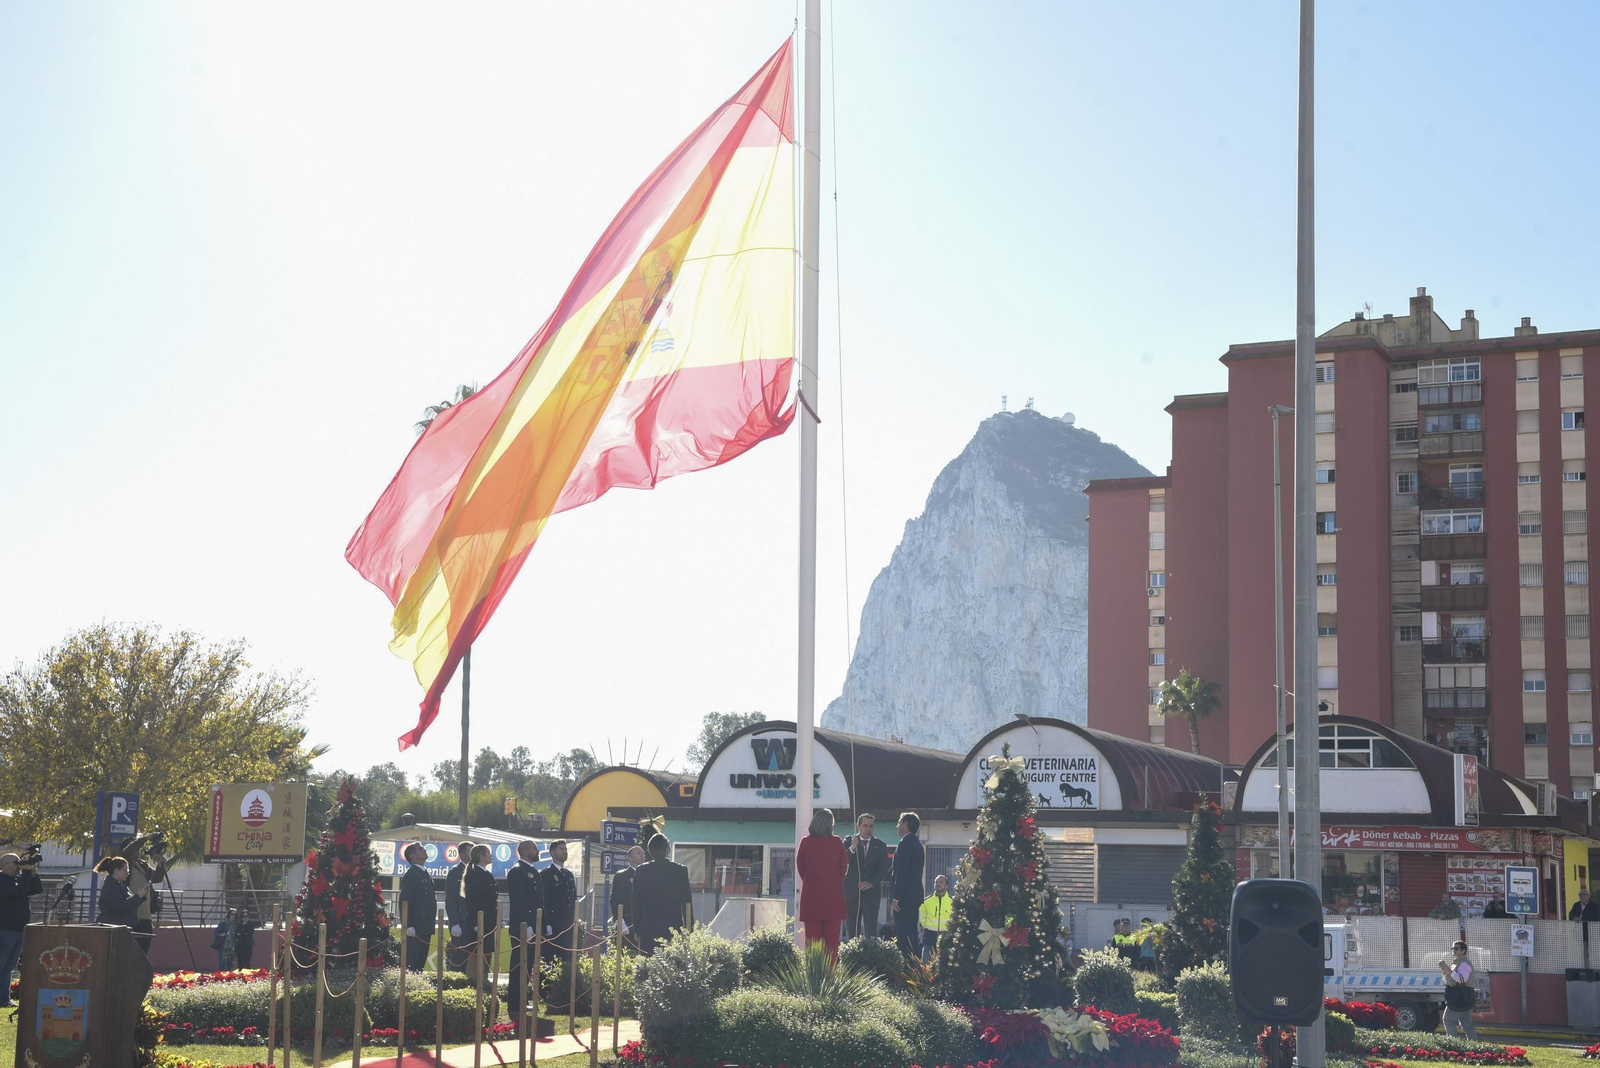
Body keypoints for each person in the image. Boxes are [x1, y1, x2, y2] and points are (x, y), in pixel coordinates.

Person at [796, 808, 848, 963]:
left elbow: (801, 868)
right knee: (831, 943)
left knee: (812, 942)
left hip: (811, 898)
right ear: (829, 825)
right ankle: (830, 976)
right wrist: (833, 883)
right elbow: (843, 867)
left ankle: (814, 976)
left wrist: (812, 882)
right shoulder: (837, 842)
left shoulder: (806, 842)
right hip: (832, 898)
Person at [630, 834, 693, 955]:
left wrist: (637, 928)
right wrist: (689, 929)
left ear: (650, 850)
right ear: (667, 850)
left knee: (647, 967)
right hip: (673, 928)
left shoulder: (642, 870)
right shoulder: (680, 870)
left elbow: (636, 902)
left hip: (648, 928)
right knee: (672, 967)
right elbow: (687, 902)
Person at [0, 851, 44, 1009]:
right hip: (5, 930)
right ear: (4, 865)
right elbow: (17, 892)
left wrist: (32, 874)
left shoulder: (18, 880)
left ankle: (4, 999)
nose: (18, 865)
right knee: (1, 966)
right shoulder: (2, 880)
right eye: (15, 862)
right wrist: (25, 872)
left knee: (8, 968)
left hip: (19, 930)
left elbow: (37, 889)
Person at [506, 841, 543, 1016]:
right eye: (535, 849)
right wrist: (525, 925)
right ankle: (514, 1004)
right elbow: (518, 902)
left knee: (528, 966)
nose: (538, 852)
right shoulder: (517, 871)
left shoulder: (533, 871)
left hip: (533, 926)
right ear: (526, 851)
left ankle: (523, 1000)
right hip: (522, 927)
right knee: (518, 965)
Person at [117, 834, 170, 955]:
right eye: (135, 847)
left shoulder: (142, 865)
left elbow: (157, 878)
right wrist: (145, 838)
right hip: (130, 918)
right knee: (130, 955)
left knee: (143, 954)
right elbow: (127, 852)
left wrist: (160, 865)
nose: (137, 850)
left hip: (145, 917)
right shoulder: (123, 864)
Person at [843, 813, 887, 940]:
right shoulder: (848, 841)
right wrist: (852, 848)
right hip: (852, 894)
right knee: (852, 931)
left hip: (871, 895)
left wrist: (871, 883)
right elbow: (841, 861)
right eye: (865, 825)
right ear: (858, 825)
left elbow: (883, 869)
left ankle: (870, 957)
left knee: (871, 932)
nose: (868, 829)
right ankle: (852, 957)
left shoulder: (880, 845)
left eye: (871, 826)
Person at [460, 845, 499, 985]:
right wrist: (476, 922)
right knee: (475, 953)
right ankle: (472, 982)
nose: (490, 856)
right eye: (488, 853)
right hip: (478, 920)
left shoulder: (486, 874)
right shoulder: (474, 873)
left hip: (488, 920)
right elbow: (473, 900)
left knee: (486, 952)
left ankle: (483, 980)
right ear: (481, 856)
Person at [890, 812, 925, 959]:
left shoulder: (904, 843)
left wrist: (896, 897)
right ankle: (915, 969)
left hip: (904, 898)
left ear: (905, 824)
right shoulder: (917, 843)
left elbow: (902, 873)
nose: (897, 825)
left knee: (904, 937)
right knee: (911, 934)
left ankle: (906, 970)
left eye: (899, 822)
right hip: (914, 896)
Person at [397, 842, 436, 971]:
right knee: (410, 964)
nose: (424, 850)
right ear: (413, 856)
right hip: (415, 928)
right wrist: (407, 925)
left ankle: (416, 989)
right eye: (420, 849)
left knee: (420, 965)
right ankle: (406, 989)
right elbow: (405, 901)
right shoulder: (411, 874)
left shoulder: (424, 873)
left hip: (425, 926)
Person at [539, 840, 579, 952]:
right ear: (552, 853)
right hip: (553, 923)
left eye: (566, 849)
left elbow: (573, 899)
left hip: (568, 923)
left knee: (567, 955)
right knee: (552, 956)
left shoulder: (568, 874)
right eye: (561, 849)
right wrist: (546, 923)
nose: (565, 852)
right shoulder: (545, 874)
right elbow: (544, 901)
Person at [1439, 939, 1477, 1039]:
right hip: (1463, 997)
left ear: (1463, 951)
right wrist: (1445, 970)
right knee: (1467, 1023)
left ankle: (1453, 1043)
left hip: (1459, 997)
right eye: (1453, 948)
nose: (1453, 951)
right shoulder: (1457, 963)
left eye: (1456, 949)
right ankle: (1473, 1044)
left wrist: (1449, 971)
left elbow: (1462, 979)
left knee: (1448, 1019)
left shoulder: (1464, 963)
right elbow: (1450, 979)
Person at [445, 841, 474, 968]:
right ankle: (454, 984)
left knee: (472, 960)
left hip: (472, 922)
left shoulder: (474, 871)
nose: (473, 854)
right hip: (460, 922)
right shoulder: (455, 872)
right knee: (458, 958)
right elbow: (451, 900)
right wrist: (455, 922)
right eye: (470, 851)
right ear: (462, 854)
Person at [611, 845, 646, 939]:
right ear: (630, 858)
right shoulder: (622, 876)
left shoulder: (648, 875)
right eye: (638, 853)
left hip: (644, 922)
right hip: (628, 922)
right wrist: (620, 921)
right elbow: (615, 900)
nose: (642, 855)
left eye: (643, 853)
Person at [918, 874, 952, 962]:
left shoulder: (952, 902)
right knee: (926, 964)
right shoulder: (926, 901)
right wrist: (929, 926)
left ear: (946, 885)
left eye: (941, 882)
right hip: (929, 935)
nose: (938, 884)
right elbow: (922, 917)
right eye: (936, 882)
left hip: (945, 936)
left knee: (944, 964)